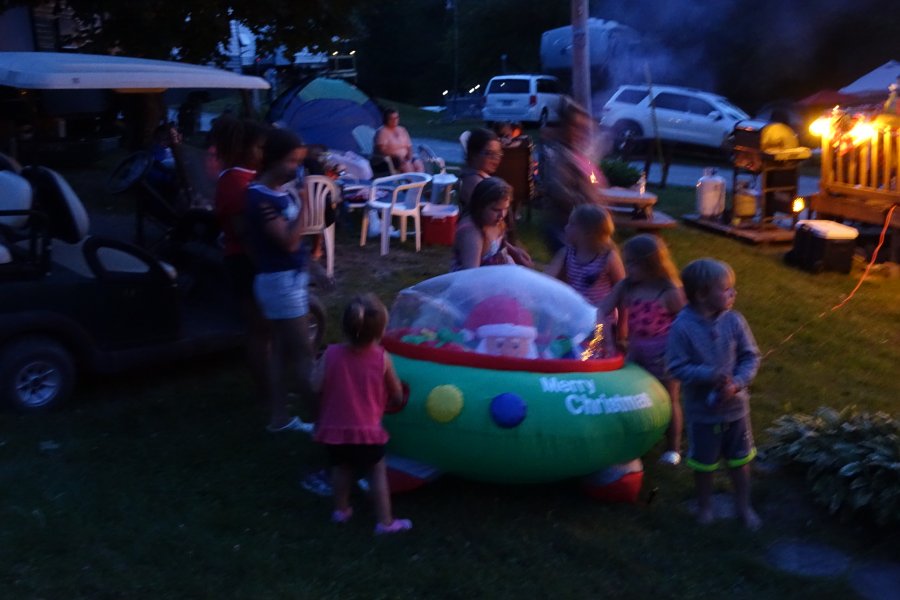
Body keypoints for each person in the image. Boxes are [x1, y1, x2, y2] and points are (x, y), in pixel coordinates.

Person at [666, 258, 761, 530]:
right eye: (727, 289)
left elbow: (750, 356)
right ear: (702, 294)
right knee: (704, 465)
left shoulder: (735, 321)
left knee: (740, 461)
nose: (734, 293)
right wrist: (708, 374)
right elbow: (675, 366)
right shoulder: (682, 327)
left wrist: (738, 383)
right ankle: (705, 507)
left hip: (736, 409)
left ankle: (743, 507)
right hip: (702, 412)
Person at [311, 294, 412, 534]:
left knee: (341, 469)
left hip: (335, 432)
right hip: (368, 433)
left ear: (345, 328)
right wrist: (396, 400)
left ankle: (341, 510)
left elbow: (314, 385)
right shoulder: (381, 358)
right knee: (377, 473)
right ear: (380, 333)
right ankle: (385, 522)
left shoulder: (331, 354)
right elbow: (396, 392)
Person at [243, 128, 315, 433]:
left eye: (299, 161)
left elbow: (296, 246)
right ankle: (324, 421)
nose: (296, 168)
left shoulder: (277, 192)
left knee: (282, 352)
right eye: (290, 161)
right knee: (304, 356)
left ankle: (279, 417)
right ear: (271, 160)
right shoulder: (258, 196)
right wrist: (307, 202)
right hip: (280, 284)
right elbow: (287, 241)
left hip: (288, 279)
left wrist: (315, 267)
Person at [598, 234, 686, 465]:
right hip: (636, 350)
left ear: (651, 264)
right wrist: (608, 340)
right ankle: (638, 438)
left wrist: (678, 353)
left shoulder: (669, 292)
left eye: (631, 263)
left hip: (664, 353)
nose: (626, 268)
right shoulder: (626, 287)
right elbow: (601, 311)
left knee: (670, 397)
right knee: (634, 394)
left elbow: (686, 323)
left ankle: (673, 448)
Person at [212, 117, 271, 411]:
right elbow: (243, 233)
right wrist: (267, 268)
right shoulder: (235, 183)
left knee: (265, 330)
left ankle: (272, 387)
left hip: (251, 261)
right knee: (259, 331)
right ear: (245, 148)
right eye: (261, 147)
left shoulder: (245, 178)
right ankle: (265, 393)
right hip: (247, 263)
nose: (264, 152)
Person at [540, 96, 609, 252]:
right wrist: (589, 205)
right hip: (565, 228)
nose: (580, 133)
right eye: (576, 127)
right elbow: (558, 189)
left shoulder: (578, 155)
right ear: (564, 128)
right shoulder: (557, 156)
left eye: (583, 128)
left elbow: (592, 181)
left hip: (584, 228)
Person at [545, 204, 625, 307]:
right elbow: (546, 279)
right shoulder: (566, 253)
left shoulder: (608, 258)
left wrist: (623, 322)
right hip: (575, 314)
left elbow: (622, 290)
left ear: (587, 232)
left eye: (571, 224)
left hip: (600, 318)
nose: (566, 228)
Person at [451, 177, 532, 271]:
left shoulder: (493, 220)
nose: (502, 215)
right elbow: (471, 274)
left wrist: (513, 251)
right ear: (480, 206)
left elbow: (497, 242)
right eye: (496, 210)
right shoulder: (472, 234)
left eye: (505, 208)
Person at [458, 128, 502, 212]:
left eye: (498, 153)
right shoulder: (475, 183)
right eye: (489, 153)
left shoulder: (472, 173)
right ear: (474, 154)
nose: (495, 158)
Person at [374, 108, 423, 173]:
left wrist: (409, 157)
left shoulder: (402, 129)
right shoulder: (382, 132)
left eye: (396, 118)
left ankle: (422, 182)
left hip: (405, 157)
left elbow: (409, 146)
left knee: (418, 164)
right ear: (386, 119)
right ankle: (413, 182)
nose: (395, 120)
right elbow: (381, 150)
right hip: (391, 159)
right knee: (407, 166)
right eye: (391, 118)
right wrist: (397, 156)